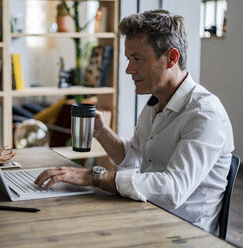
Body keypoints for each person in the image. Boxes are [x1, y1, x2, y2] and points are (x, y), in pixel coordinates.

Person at [35, 9, 234, 235]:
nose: (129, 70)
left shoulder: (205, 115)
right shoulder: (155, 104)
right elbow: (134, 157)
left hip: (184, 234)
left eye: (137, 59)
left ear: (172, 58)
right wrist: (102, 132)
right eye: (129, 59)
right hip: (147, 216)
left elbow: (173, 189)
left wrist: (94, 176)